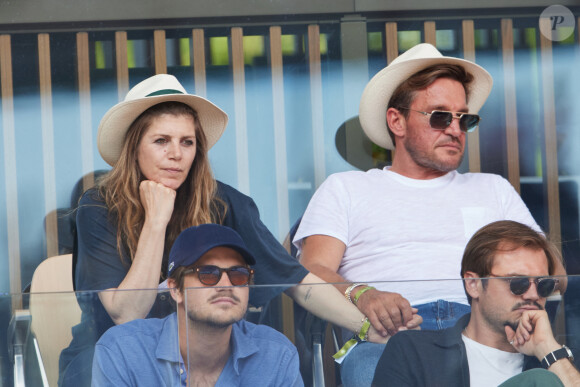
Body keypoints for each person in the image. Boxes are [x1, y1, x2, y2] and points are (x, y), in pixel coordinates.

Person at [60, 74, 391, 386]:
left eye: (186, 142)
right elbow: (128, 316)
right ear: (134, 148)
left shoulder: (226, 203)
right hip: (115, 356)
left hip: (212, 354)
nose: (175, 154)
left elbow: (296, 280)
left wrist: (366, 328)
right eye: (161, 140)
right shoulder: (100, 205)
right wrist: (157, 220)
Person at [293, 43, 566, 386]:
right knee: (369, 369)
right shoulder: (345, 188)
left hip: (484, 329)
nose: (455, 129)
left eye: (464, 118)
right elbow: (309, 270)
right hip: (389, 334)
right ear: (397, 121)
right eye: (440, 116)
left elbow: (555, 274)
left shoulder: (492, 189)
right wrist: (363, 294)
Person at [92, 224, 303, 386]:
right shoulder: (123, 351)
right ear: (175, 289)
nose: (226, 285)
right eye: (208, 274)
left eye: (238, 275)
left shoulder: (277, 354)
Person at [373, 220, 578, 387]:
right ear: (473, 284)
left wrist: (548, 349)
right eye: (518, 282)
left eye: (544, 285)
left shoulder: (557, 363)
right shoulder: (415, 352)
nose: (533, 294)